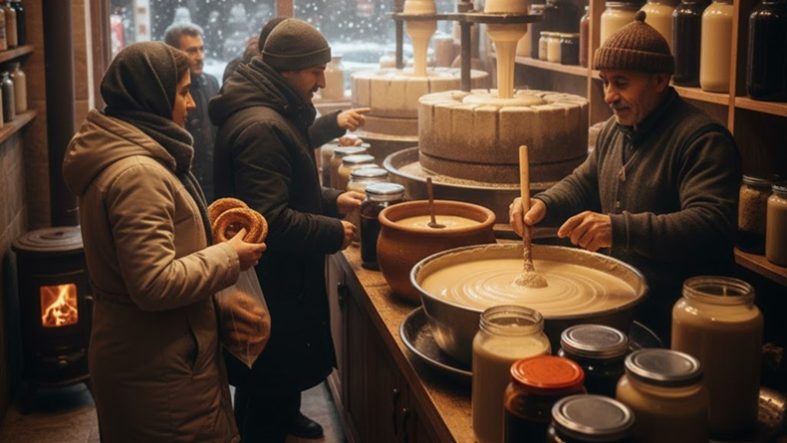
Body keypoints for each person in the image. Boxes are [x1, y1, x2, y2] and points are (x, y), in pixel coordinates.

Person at [62, 42, 266, 442]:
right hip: (158, 370)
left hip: (157, 357)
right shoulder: (138, 174)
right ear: (151, 96)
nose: (190, 104)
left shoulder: (139, 156)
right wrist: (229, 257)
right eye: (182, 92)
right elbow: (153, 283)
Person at [509, 12, 740, 342]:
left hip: (683, 318)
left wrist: (618, 229)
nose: (608, 95)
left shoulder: (703, 141)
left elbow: (711, 224)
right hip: (624, 303)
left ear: (660, 80)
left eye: (621, 83)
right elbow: (585, 182)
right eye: (604, 81)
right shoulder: (614, 131)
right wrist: (542, 204)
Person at [209, 19, 364, 441]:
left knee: (275, 379)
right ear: (289, 69)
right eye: (316, 70)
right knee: (267, 382)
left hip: (279, 277)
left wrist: (333, 200)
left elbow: (286, 188)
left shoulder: (274, 108)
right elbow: (270, 220)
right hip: (271, 280)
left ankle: (284, 416)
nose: (322, 80)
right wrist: (333, 231)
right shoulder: (262, 126)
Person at [223, 16, 370, 144]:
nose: (322, 83)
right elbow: (290, 139)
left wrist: (334, 123)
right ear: (285, 64)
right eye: (315, 72)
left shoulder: (274, 97)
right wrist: (333, 124)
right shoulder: (262, 125)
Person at [164, 23, 220, 202]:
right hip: (183, 180)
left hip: (213, 179)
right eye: (192, 51)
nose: (200, 56)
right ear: (174, 53)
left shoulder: (211, 83)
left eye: (202, 49)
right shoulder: (167, 89)